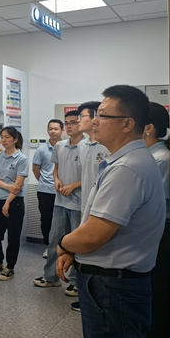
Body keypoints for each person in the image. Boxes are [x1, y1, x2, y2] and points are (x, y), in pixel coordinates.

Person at [56, 85, 165, 338]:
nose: (94, 121)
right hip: (113, 282)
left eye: (102, 115)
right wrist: (75, 249)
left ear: (127, 124)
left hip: (113, 286)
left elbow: (94, 234)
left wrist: (63, 245)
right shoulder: (125, 161)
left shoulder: (127, 168)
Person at [34, 110, 82, 298]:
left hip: (78, 203)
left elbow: (94, 176)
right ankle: (50, 277)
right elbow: (56, 168)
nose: (69, 126)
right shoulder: (60, 146)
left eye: (73, 122)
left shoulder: (88, 147)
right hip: (60, 202)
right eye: (67, 122)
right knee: (55, 240)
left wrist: (74, 185)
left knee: (76, 244)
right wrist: (56, 179)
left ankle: (75, 282)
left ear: (81, 124)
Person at [70, 101, 110, 312]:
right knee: (85, 254)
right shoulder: (82, 145)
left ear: (95, 118)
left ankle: (98, 299)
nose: (78, 120)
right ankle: (85, 294)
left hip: (103, 208)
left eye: (82, 116)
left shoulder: (107, 146)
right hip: (84, 204)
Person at [143, 102, 170, 338]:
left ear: (149, 128)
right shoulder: (150, 157)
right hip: (153, 231)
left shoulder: (160, 159)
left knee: (159, 288)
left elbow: (156, 204)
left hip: (159, 231)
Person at [0, 127, 28, 281]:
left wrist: (8, 202)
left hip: (14, 201)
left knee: (13, 236)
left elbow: (18, 185)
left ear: (15, 140)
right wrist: (8, 187)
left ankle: (10, 267)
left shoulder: (21, 159)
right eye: (2, 137)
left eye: (7, 137)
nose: (3, 140)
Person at [32, 119, 64, 258]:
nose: (53, 131)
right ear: (47, 130)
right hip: (45, 190)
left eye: (56, 129)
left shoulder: (66, 147)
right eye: (50, 129)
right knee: (46, 220)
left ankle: (62, 247)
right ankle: (48, 246)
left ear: (62, 130)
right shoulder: (41, 150)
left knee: (63, 220)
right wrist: (45, 181)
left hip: (63, 190)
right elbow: (36, 169)